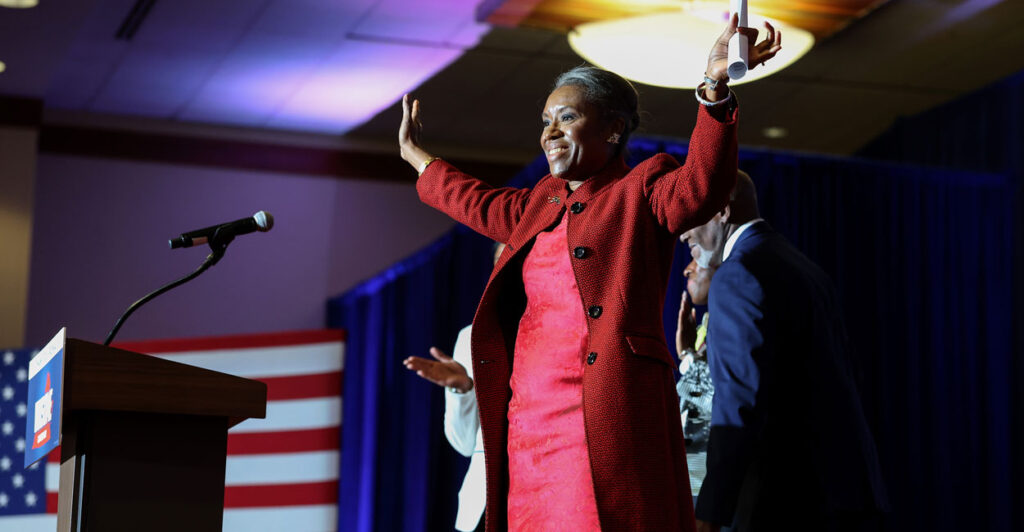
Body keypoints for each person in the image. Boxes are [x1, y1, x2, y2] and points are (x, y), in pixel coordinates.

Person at [399, 15, 782, 531]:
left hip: (605, 415)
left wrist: (714, 91)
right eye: (545, 121)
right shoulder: (538, 204)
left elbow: (704, 185)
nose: (550, 133)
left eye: (566, 118)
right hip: (528, 423)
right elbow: (475, 200)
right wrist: (419, 159)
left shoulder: (643, 188)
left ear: (613, 128)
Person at [681, 172, 887, 532]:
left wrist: (709, 514)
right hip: (847, 493)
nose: (682, 233)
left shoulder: (736, 274)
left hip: (786, 503)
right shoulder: (802, 266)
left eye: (690, 217)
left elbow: (737, 405)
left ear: (723, 211)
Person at [402, 243, 505, 532]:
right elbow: (463, 445)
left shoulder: (567, 327)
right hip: (482, 506)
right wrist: (463, 390)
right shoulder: (472, 337)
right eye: (500, 261)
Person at [675, 257, 717, 501]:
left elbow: (716, 400)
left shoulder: (730, 320)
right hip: (694, 483)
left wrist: (688, 358)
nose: (687, 268)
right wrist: (687, 354)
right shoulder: (706, 324)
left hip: (712, 488)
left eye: (697, 258)